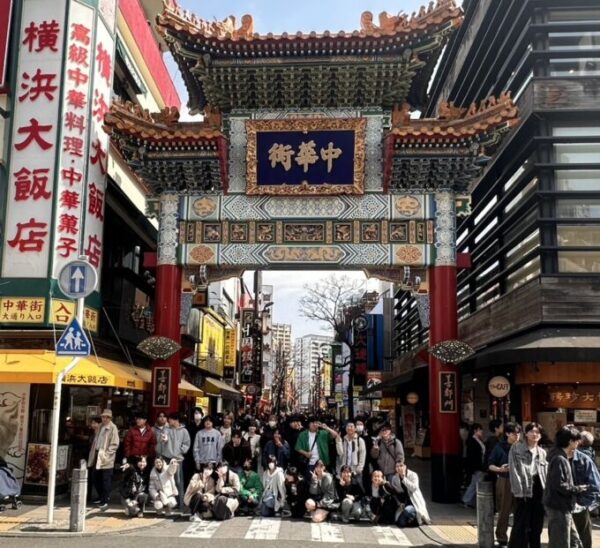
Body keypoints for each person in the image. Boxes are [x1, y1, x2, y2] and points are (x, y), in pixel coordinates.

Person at [543, 426, 586, 548]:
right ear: (570, 441)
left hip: (561, 506)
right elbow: (559, 484)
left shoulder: (559, 456)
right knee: (561, 542)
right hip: (559, 506)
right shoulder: (559, 459)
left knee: (574, 542)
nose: (578, 443)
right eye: (576, 440)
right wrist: (577, 489)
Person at [508, 422, 547, 548]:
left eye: (538, 432)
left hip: (539, 489)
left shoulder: (542, 452)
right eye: (532, 431)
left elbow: (544, 473)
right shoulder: (516, 448)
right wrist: (519, 491)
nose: (535, 434)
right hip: (523, 488)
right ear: (526, 433)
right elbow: (514, 470)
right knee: (521, 523)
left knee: (537, 523)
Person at [488, 422, 521, 546]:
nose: (517, 436)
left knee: (520, 511)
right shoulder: (500, 447)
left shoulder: (522, 447)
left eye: (518, 434)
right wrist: (500, 469)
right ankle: (502, 538)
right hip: (505, 479)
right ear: (507, 434)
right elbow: (490, 464)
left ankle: (517, 537)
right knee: (504, 510)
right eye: (514, 434)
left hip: (521, 481)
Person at [156, 412, 190, 510]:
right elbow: (160, 443)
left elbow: (187, 444)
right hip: (166, 458)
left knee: (178, 481)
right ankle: (168, 503)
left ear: (176, 420)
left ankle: (180, 503)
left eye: (170, 419)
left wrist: (180, 451)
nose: (168, 420)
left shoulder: (184, 431)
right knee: (166, 481)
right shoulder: (166, 430)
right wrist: (163, 440)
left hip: (178, 459)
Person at [87, 409, 119, 510]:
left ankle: (105, 500)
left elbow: (115, 444)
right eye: (103, 417)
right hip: (97, 454)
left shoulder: (113, 428)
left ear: (110, 418)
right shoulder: (100, 426)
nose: (105, 419)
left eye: (107, 417)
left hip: (105, 456)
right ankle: (101, 496)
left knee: (106, 479)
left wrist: (107, 454)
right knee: (95, 477)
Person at [572, 438, 600, 548]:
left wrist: (584, 504)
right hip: (564, 504)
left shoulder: (583, 458)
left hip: (580, 502)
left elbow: (595, 484)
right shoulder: (557, 457)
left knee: (583, 534)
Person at [390, 460, 431, 527]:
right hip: (404, 503)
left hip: (414, 502)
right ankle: (410, 519)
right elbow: (396, 492)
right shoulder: (395, 478)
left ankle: (416, 518)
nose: (399, 468)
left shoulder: (413, 475)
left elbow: (414, 488)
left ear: (405, 466)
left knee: (407, 511)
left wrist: (403, 478)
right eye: (397, 466)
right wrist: (399, 503)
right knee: (401, 523)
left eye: (401, 466)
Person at [462, 423, 486, 508]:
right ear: (475, 431)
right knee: (475, 484)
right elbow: (473, 456)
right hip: (477, 466)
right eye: (480, 430)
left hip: (479, 465)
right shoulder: (472, 441)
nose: (481, 431)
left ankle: (469, 500)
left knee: (475, 483)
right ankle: (466, 500)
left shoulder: (477, 440)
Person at [184, 407, 205, 486]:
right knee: (188, 474)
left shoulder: (204, 427)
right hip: (190, 452)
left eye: (198, 413)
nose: (197, 415)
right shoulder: (189, 426)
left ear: (202, 415)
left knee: (201, 474)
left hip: (201, 453)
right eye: (195, 413)